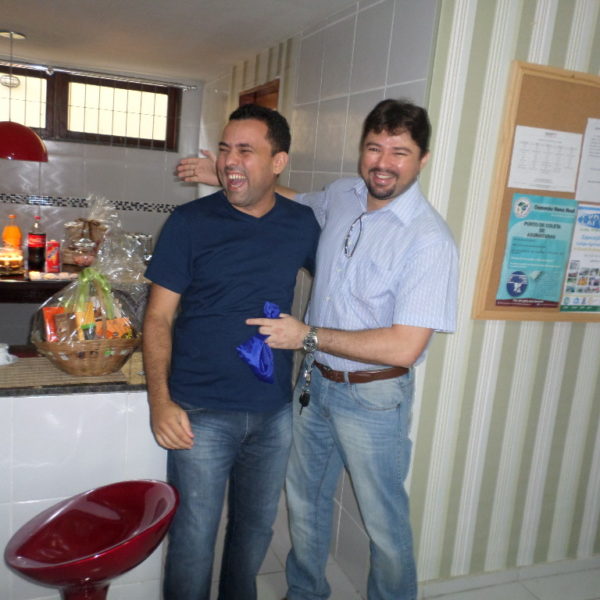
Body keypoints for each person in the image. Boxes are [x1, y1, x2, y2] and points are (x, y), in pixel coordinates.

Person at [177, 99, 458, 600]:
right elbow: (287, 198)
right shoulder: (345, 195)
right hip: (314, 387)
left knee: (383, 523)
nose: (383, 163)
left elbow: (405, 346)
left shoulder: (429, 240)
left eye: (399, 152)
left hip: (374, 396)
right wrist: (230, 173)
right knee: (305, 505)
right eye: (374, 148)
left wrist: (306, 336)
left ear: (423, 158)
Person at [144, 103, 320, 600]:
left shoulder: (302, 224)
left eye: (245, 150)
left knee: (254, 534)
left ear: (278, 162)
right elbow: (157, 318)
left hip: (273, 411)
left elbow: (341, 278)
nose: (228, 162)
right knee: (193, 541)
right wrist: (160, 401)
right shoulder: (189, 222)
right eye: (225, 150)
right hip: (200, 412)